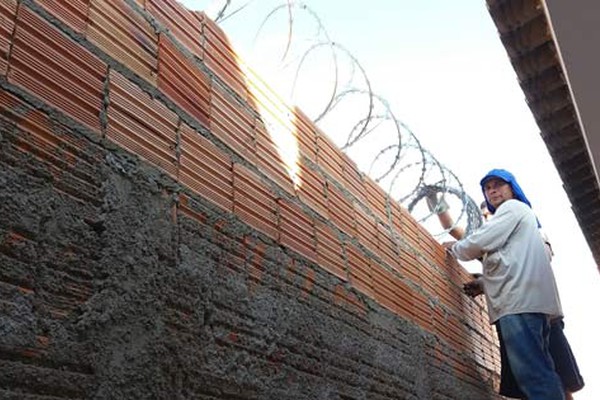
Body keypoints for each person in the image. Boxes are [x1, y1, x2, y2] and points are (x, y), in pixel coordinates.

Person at [428, 186, 584, 400]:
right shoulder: (492, 243)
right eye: (484, 215)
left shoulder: (525, 227)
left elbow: (531, 261)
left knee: (552, 376)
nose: (487, 218)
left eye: (489, 214)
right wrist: (435, 201)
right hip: (515, 307)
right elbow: (456, 231)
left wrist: (470, 256)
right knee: (534, 377)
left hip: (534, 310)